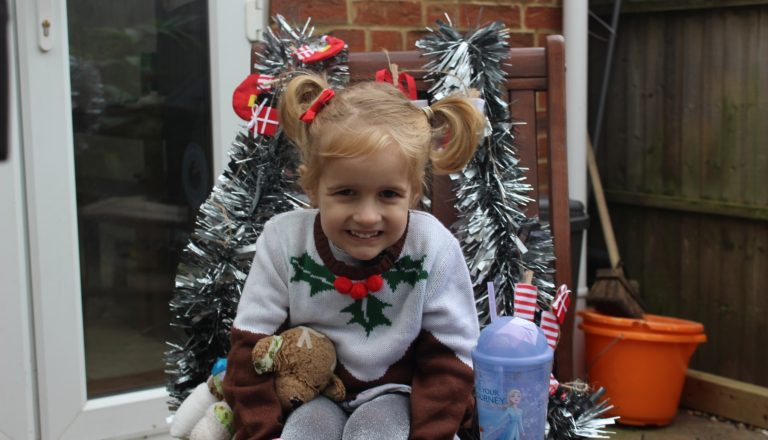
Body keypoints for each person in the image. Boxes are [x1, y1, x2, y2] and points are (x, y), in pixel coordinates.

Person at [223, 71, 485, 440]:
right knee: (303, 433)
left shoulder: (433, 248)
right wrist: (261, 432)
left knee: (374, 432)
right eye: (346, 192)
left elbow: (450, 362)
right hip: (312, 394)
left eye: (388, 195)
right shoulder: (283, 241)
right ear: (313, 187)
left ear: (412, 193)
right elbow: (250, 351)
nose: (366, 215)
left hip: (400, 397)